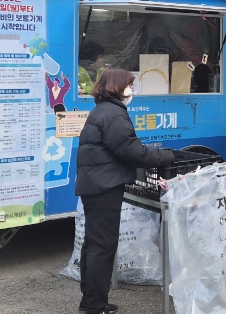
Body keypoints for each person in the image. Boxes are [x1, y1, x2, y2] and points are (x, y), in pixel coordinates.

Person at [75, 68, 176, 314]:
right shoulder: (114, 115)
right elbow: (134, 152)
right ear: (117, 87)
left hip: (95, 183)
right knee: (102, 245)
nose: (132, 90)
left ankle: (90, 300)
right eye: (129, 85)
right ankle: (94, 305)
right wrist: (168, 156)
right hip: (104, 186)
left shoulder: (102, 110)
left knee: (94, 243)